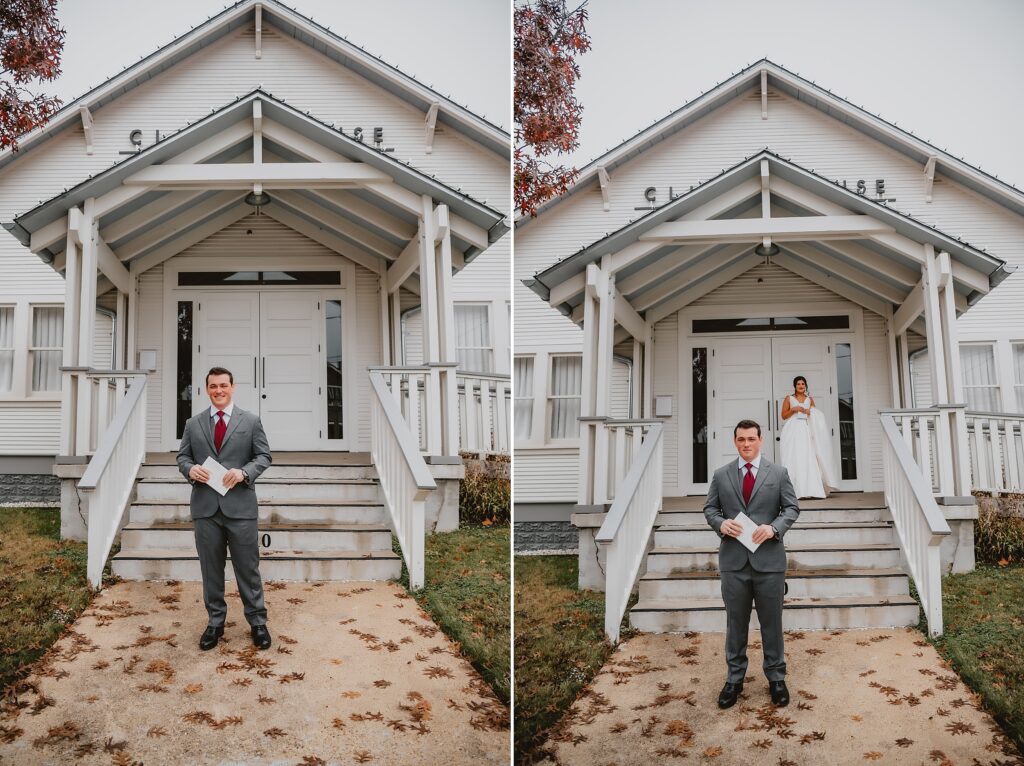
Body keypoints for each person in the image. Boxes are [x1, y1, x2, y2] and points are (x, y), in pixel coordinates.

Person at [703, 419, 800, 709]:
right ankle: (734, 679)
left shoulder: (779, 473)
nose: (746, 444)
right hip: (734, 562)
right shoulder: (721, 475)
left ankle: (776, 678)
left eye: (751, 439)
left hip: (769, 562)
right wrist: (721, 524)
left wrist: (774, 528)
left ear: (761, 441)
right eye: (741, 439)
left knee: (772, 624)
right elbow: (710, 508)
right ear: (735, 442)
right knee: (736, 624)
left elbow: (792, 508)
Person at [176, 367, 273, 651]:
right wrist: (190, 469)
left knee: (248, 569)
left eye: (223, 385)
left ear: (232, 387)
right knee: (211, 570)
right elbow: (183, 456)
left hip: (240, 508)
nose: (218, 390)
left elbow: (264, 456)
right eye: (213, 386)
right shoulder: (193, 424)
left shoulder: (251, 421)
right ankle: (215, 623)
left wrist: (244, 473)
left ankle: (257, 622)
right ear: (206, 389)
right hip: (206, 509)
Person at [779, 376, 838, 499]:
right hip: (793, 429)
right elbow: (783, 416)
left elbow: (816, 415)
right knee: (794, 457)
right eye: (798, 384)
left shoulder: (809, 399)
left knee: (808, 458)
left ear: (805, 386)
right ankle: (795, 491)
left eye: (803, 384)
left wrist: (809, 412)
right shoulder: (789, 398)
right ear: (794, 386)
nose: (801, 386)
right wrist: (793, 409)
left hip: (806, 429)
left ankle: (812, 489)